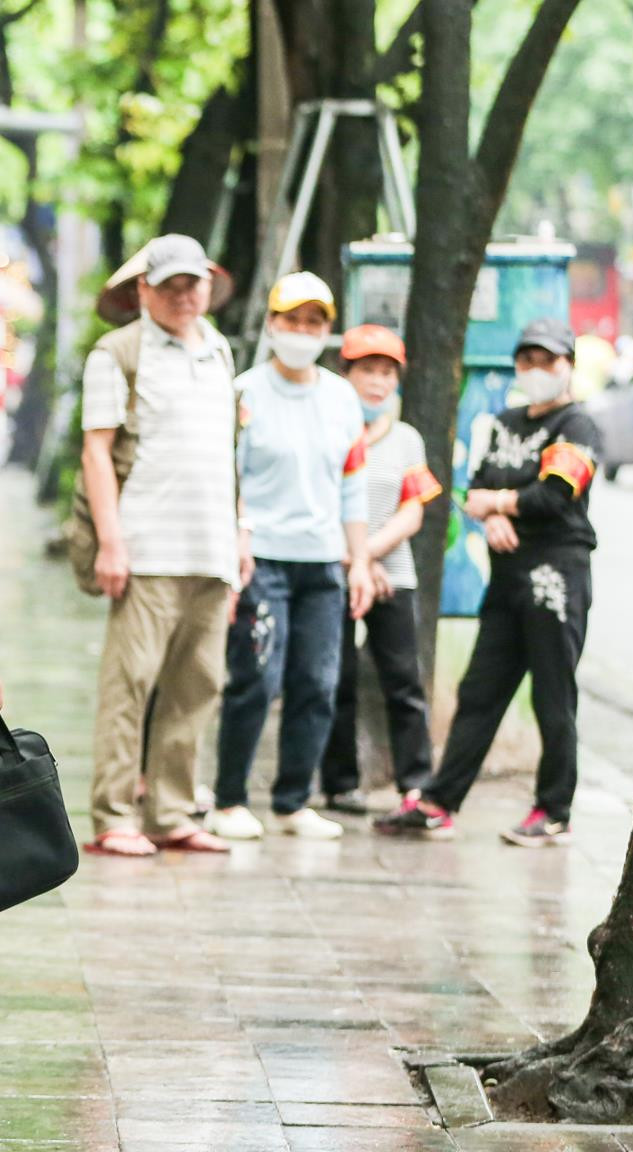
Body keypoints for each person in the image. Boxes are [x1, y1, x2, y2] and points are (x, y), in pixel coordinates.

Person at [376, 318, 600, 845]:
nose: (537, 370)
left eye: (549, 360)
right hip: (505, 581)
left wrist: (498, 503)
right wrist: (492, 512)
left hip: (556, 577)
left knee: (552, 694)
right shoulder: (503, 423)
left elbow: (554, 495)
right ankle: (438, 801)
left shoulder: (577, 425)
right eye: (528, 360)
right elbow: (473, 487)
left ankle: (553, 809)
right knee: (480, 691)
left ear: (568, 365)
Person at [80, 234, 242, 857]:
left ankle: (172, 811)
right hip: (146, 547)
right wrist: (110, 541)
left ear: (207, 286)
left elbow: (227, 456)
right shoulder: (117, 352)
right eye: (169, 284)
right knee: (131, 685)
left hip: (212, 549)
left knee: (198, 685)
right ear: (142, 290)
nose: (183, 294)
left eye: (192, 283)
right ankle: (115, 814)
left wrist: (238, 537)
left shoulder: (220, 351)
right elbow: (96, 451)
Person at [205, 272, 376, 842]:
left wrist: (359, 560)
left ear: (328, 330)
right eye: (292, 320)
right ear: (272, 324)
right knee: (256, 676)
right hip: (263, 560)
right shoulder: (245, 394)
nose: (302, 331)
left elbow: (352, 483)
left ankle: (293, 800)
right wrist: (237, 538)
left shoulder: (342, 398)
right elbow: (229, 476)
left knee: (317, 681)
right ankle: (230, 799)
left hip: (324, 562)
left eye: (315, 322)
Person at [320, 325, 441, 814]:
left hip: (392, 575)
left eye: (386, 372)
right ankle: (340, 782)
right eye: (366, 370)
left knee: (403, 680)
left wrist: (366, 557)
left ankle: (416, 782)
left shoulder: (407, 439)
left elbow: (412, 512)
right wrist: (353, 562)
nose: (376, 382)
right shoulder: (329, 430)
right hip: (336, 569)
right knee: (336, 678)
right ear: (345, 374)